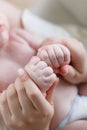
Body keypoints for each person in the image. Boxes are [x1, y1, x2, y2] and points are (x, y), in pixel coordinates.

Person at [0, 1, 87, 130]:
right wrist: (33, 80)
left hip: (78, 87)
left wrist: (55, 52)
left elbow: (44, 46)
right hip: (64, 121)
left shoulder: (17, 35)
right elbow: (10, 112)